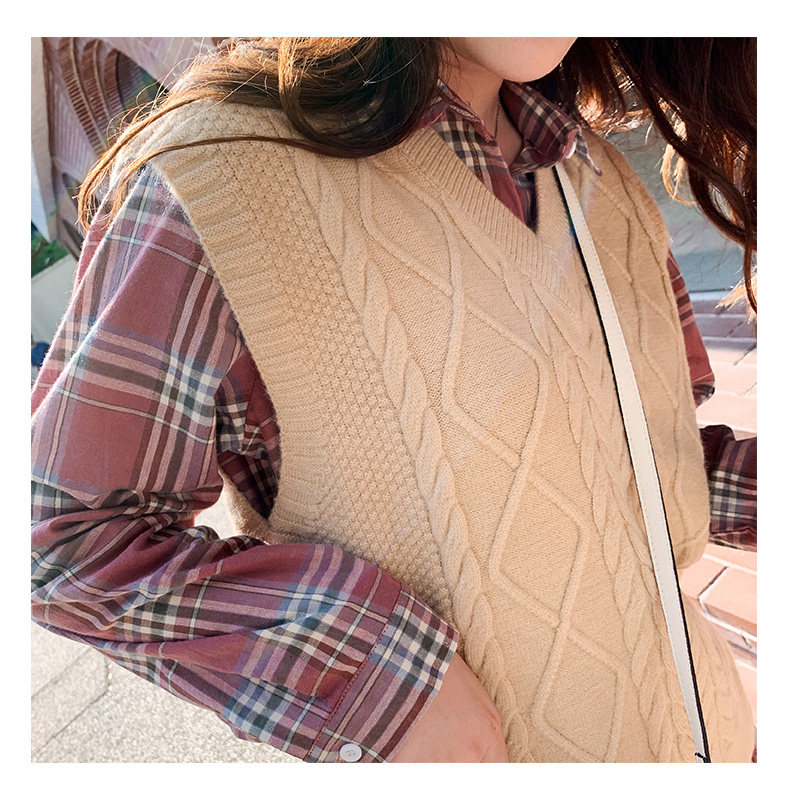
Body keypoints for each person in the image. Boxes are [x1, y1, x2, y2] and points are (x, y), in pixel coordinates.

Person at [31, 37, 757, 763]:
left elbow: (643, 462)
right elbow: (69, 545)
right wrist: (381, 675)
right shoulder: (219, 175)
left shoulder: (601, 180)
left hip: (722, 737)